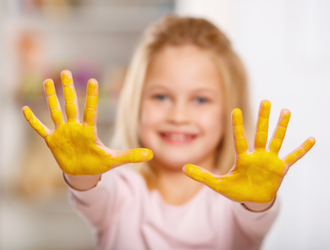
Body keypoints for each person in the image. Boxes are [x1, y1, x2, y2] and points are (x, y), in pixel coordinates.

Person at [22, 16, 315, 250]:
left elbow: (255, 216)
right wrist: (80, 174)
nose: (178, 116)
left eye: (200, 99)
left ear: (229, 112)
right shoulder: (121, 191)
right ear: (136, 102)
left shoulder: (239, 200)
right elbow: (92, 192)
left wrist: (259, 201)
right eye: (161, 97)